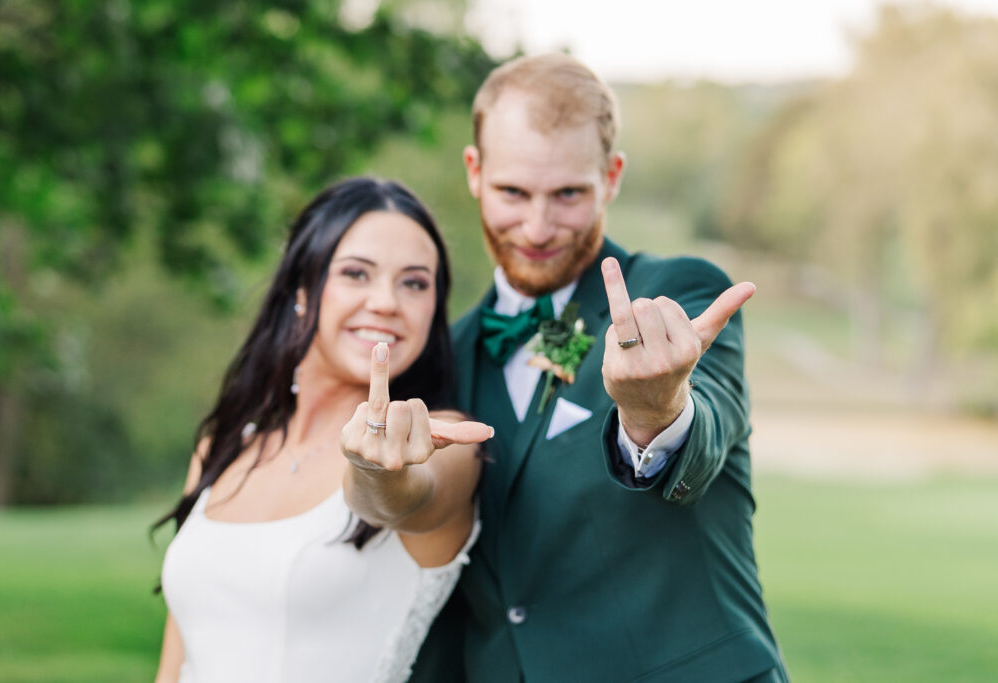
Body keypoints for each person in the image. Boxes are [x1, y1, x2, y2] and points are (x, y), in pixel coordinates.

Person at [409, 54, 789, 682]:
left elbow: (710, 423)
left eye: (567, 194)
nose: (536, 226)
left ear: (611, 177)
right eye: (513, 192)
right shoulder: (446, 352)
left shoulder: (680, 294)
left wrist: (654, 410)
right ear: (475, 172)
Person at [153, 177, 492, 683]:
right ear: (302, 289)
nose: (386, 302)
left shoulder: (439, 442)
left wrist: (375, 471)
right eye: (357, 273)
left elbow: (399, 495)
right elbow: (176, 662)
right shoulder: (221, 448)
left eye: (415, 283)